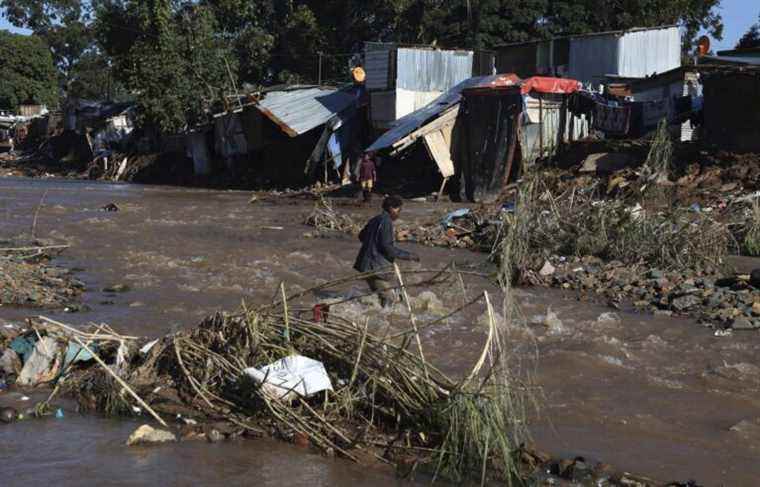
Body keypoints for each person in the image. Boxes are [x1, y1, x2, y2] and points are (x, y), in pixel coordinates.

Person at [354, 195, 419, 307]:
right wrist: (409, 255)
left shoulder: (375, 219)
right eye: (399, 210)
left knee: (381, 295)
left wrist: (373, 242)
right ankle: (381, 319)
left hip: (365, 265)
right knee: (389, 298)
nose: (399, 213)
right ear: (391, 208)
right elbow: (387, 247)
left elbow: (361, 236)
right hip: (375, 268)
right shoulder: (386, 221)